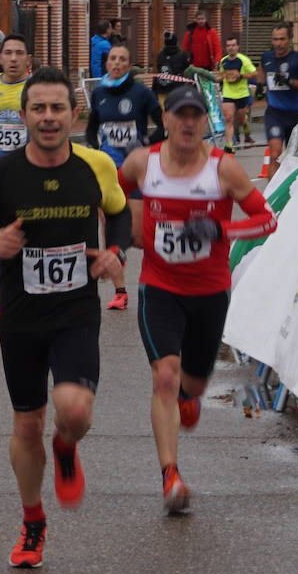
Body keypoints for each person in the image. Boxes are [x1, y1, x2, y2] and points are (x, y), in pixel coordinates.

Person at [0, 67, 132, 568]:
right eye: (39, 109)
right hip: (20, 317)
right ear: (24, 114)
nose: (49, 118)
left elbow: (119, 213)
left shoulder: (95, 166)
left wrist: (114, 250)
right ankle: (32, 522)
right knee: (26, 425)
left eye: (58, 108)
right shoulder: (0, 174)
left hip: (75, 311)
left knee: (74, 410)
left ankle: (67, 444)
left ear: (75, 114)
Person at [118, 83, 276, 513]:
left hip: (208, 291)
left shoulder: (224, 170)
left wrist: (221, 231)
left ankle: (190, 396)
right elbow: (114, 198)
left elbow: (267, 221)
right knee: (164, 376)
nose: (188, 123)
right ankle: (170, 475)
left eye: (196, 116)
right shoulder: (140, 164)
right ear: (165, 120)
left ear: (206, 121)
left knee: (194, 382)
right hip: (159, 285)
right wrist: (120, 236)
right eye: (179, 115)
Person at [84, 43, 162, 310]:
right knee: (112, 228)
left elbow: (162, 124)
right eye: (112, 59)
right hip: (110, 170)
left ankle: (152, 279)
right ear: (107, 63)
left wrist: (146, 145)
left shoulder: (141, 93)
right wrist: (97, 150)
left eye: (122, 60)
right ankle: (120, 291)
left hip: (136, 169)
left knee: (136, 235)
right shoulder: (100, 94)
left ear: (129, 65)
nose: (116, 63)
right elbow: (92, 126)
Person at [259, 22, 298, 166]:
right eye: (275, 39)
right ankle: (272, 189)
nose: (279, 43)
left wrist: (290, 81)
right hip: (274, 114)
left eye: (282, 39)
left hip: (295, 115)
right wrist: (259, 86)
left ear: (290, 39)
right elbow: (260, 77)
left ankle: (292, 189)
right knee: (275, 154)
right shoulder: (266, 58)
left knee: (294, 159)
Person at [216, 35, 258, 152]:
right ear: (226, 48)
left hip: (242, 94)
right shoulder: (223, 61)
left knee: (241, 120)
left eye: (233, 45)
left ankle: (246, 131)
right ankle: (229, 145)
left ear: (238, 47)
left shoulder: (243, 60)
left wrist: (241, 75)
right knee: (228, 119)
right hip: (228, 94)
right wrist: (217, 77)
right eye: (228, 46)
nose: (231, 48)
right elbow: (221, 76)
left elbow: (254, 74)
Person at [152, 32, 191, 104]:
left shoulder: (160, 55)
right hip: (178, 88)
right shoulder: (182, 54)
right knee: (176, 111)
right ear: (176, 42)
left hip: (162, 88)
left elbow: (158, 70)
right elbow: (187, 70)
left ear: (165, 43)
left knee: (164, 112)